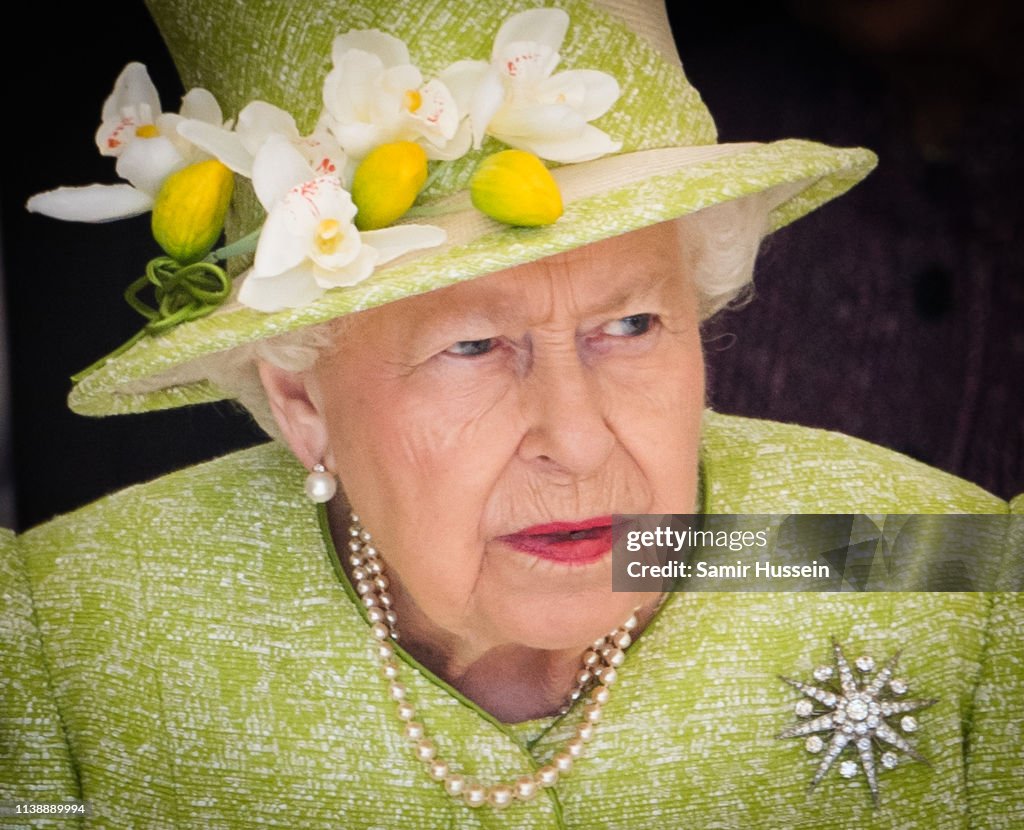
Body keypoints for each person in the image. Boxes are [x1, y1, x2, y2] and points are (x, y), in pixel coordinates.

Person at [2, 0, 1020, 827]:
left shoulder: (932, 567)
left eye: (628, 323)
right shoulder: (65, 644)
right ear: (300, 397)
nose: (576, 441)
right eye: (474, 347)